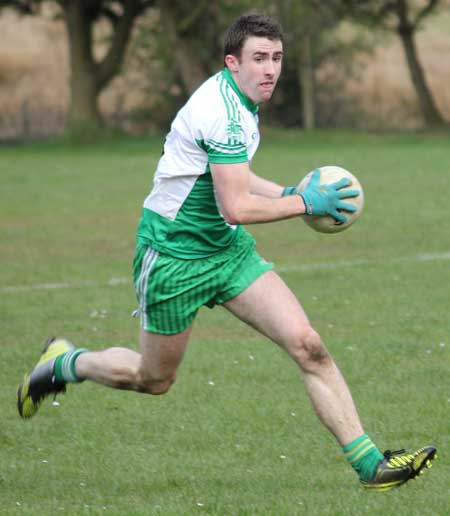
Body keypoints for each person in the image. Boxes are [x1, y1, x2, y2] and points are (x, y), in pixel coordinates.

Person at [17, 14, 436, 491]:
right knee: (153, 378)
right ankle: (64, 363)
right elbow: (235, 205)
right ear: (232, 62)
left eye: (277, 58)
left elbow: (232, 177)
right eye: (259, 58)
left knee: (308, 345)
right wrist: (304, 202)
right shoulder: (221, 112)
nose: (270, 69)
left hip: (226, 249)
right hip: (174, 257)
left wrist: (286, 191)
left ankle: (371, 467)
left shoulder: (240, 101)